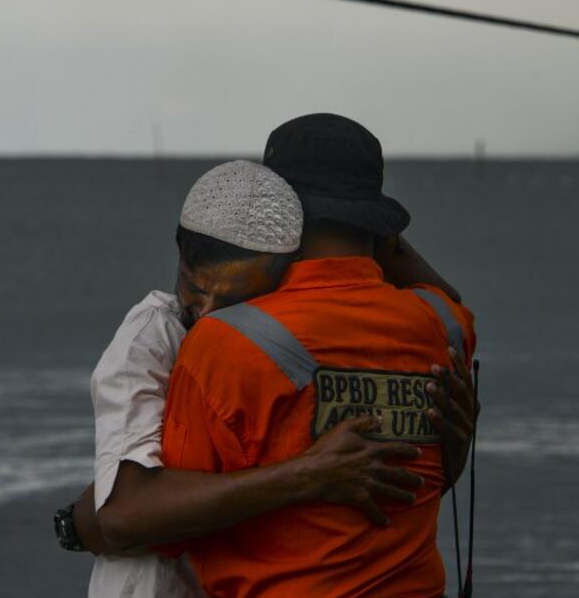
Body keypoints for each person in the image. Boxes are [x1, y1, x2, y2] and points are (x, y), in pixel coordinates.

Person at [58, 160, 474, 597]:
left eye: (230, 299)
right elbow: (122, 516)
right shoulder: (153, 336)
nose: (207, 312)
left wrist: (450, 450)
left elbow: (385, 492)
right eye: (195, 290)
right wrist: (307, 474)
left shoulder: (261, 341)